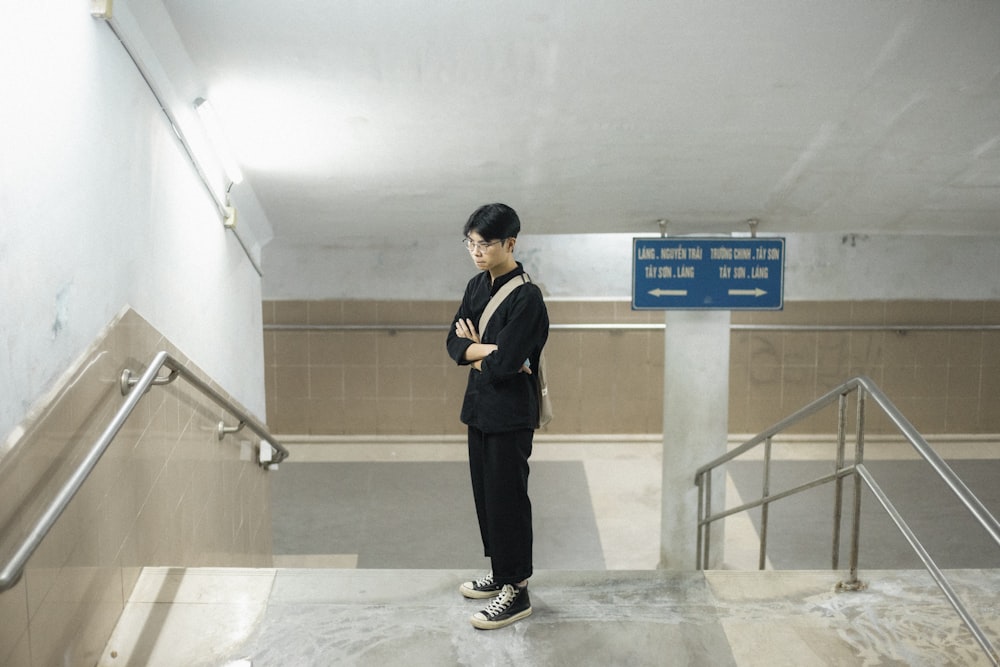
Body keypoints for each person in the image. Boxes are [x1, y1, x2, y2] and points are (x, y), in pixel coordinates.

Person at [446, 203, 549, 630]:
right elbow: (453, 344)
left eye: (485, 243)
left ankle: (517, 589)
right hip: (480, 411)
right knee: (487, 499)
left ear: (510, 243)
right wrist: (487, 353)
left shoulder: (527, 297)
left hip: (510, 415)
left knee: (508, 501)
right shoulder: (475, 286)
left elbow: (508, 365)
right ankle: (501, 574)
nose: (476, 251)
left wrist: (484, 352)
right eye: (470, 243)